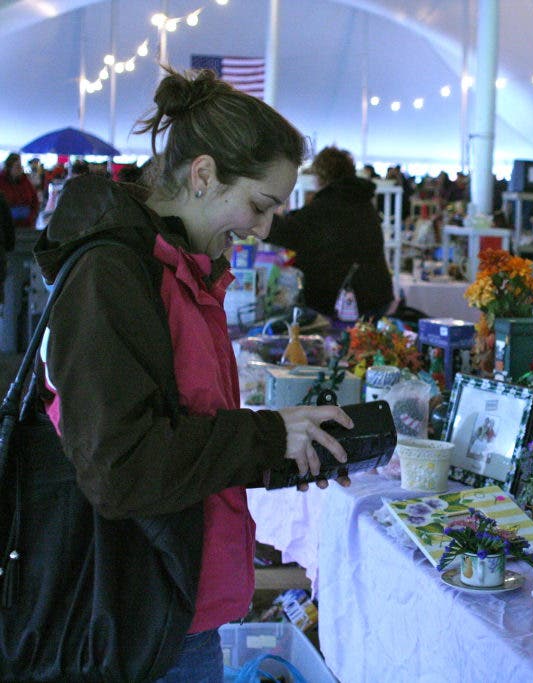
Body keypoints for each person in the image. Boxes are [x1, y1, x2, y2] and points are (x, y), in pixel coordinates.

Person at [33, 67, 355, 680]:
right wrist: (264, 436)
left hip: (173, 607)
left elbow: (187, 427)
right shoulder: (112, 275)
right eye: (260, 205)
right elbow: (121, 466)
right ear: (203, 175)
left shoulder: (178, 267)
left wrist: (284, 450)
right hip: (130, 623)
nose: (264, 228)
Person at [266, 146, 395, 320]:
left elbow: (286, 231)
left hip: (346, 302)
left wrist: (258, 212)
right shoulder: (361, 201)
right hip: (376, 294)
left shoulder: (328, 205)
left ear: (321, 176)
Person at [0, 153, 40, 229]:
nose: (20, 169)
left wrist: (33, 216)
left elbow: (35, 200)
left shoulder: (25, 181)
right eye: (17, 166)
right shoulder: (2, 182)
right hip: (6, 226)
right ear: (9, 167)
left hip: (27, 224)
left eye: (21, 166)